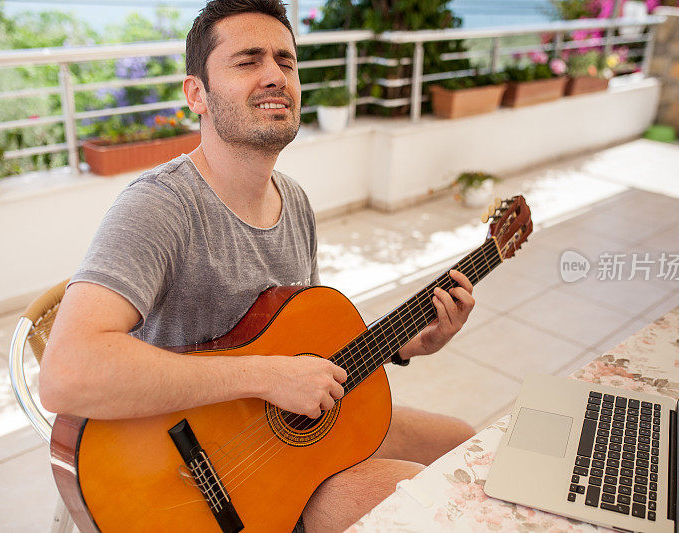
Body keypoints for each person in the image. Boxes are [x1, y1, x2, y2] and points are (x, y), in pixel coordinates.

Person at [39, 1, 477, 531]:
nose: (275, 76)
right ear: (196, 93)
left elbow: (299, 349)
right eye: (247, 61)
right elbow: (66, 374)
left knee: (463, 444)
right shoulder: (158, 207)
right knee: (431, 510)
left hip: (280, 454)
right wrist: (266, 376)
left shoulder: (294, 201)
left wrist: (403, 345)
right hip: (183, 478)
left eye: (286, 62)